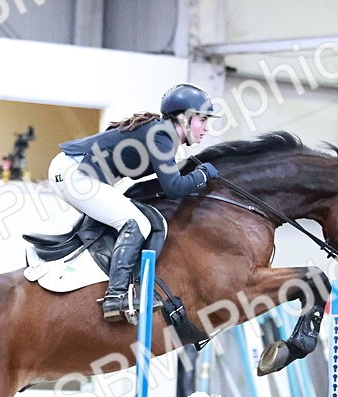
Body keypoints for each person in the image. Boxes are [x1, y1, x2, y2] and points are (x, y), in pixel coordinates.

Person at [49, 83, 220, 322]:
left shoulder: (161, 133)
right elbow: (174, 188)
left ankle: (92, 279)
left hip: (72, 171)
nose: (206, 128)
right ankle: (115, 296)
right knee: (137, 223)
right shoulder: (163, 135)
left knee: (120, 221)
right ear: (183, 118)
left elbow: (165, 181)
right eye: (202, 120)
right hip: (76, 173)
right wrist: (203, 174)